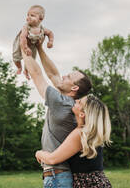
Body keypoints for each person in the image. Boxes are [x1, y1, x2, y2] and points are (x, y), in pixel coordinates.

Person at [21, 42, 92, 188]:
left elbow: (37, 74)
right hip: (59, 175)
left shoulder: (62, 103)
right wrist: (40, 48)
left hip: (57, 176)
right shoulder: (70, 103)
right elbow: (53, 74)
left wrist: (23, 45)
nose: (63, 76)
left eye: (68, 77)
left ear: (74, 87)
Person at [35, 94, 112, 188]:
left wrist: (39, 153)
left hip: (87, 184)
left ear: (82, 114)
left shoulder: (80, 134)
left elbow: (52, 159)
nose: (75, 101)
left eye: (79, 102)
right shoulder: (89, 134)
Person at [13, 5, 54, 79]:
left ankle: (26, 71)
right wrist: (25, 48)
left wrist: (50, 41)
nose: (28, 17)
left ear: (41, 19)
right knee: (16, 56)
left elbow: (50, 33)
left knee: (31, 60)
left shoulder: (42, 29)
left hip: (32, 46)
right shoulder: (26, 27)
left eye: (32, 15)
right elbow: (22, 37)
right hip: (21, 44)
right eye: (28, 15)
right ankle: (19, 67)